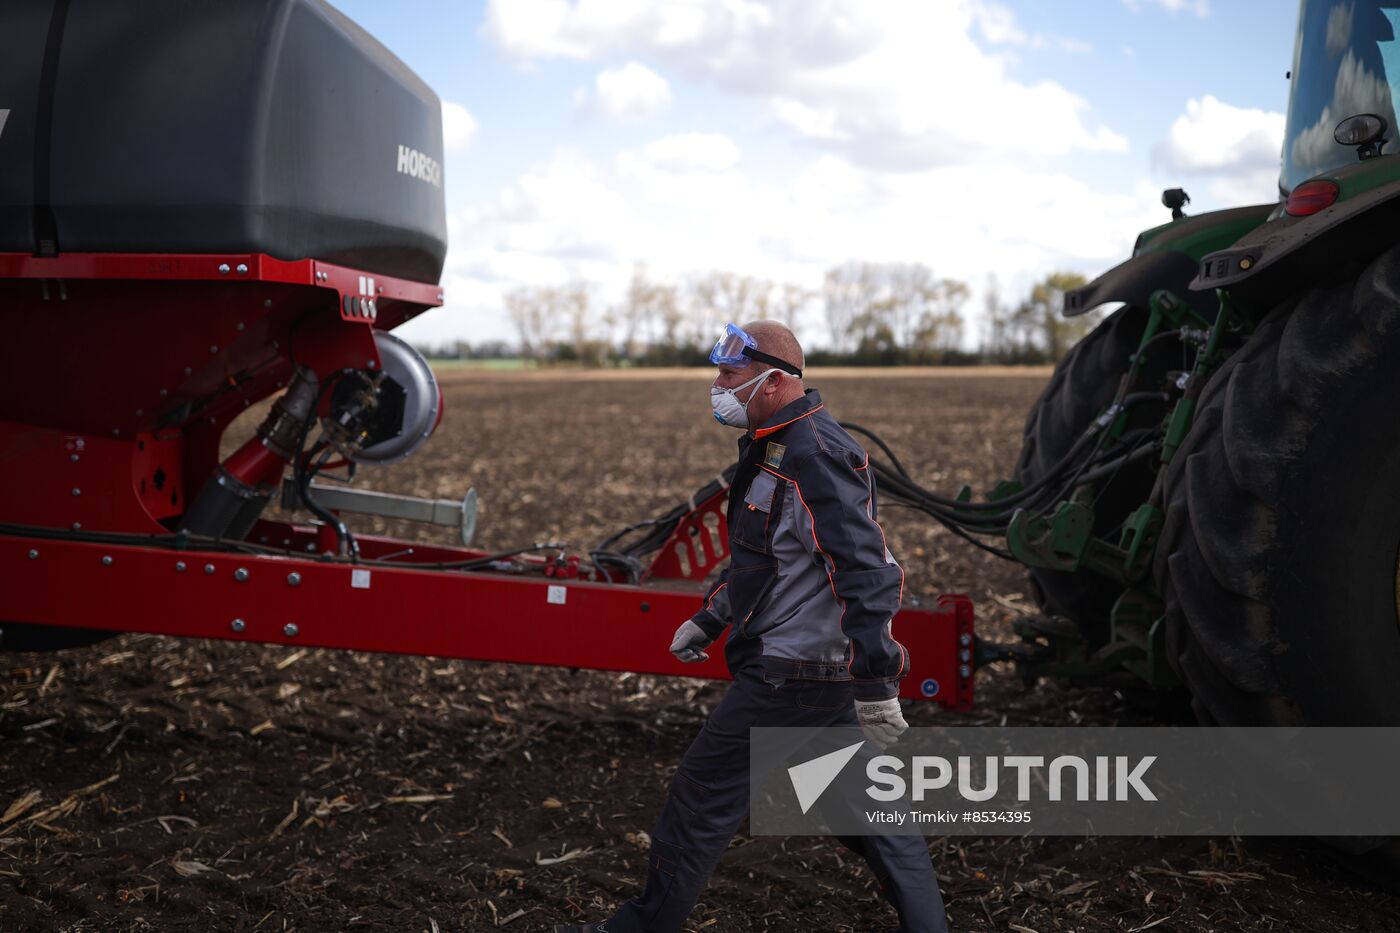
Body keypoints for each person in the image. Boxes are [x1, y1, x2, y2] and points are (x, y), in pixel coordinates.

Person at [555, 321, 949, 933]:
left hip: (794, 675)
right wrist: (712, 616)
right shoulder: (774, 448)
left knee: (701, 796)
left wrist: (877, 682)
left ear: (773, 381)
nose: (717, 386)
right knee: (863, 808)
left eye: (728, 375)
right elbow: (762, 558)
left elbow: (868, 571)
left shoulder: (817, 455)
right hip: (811, 674)